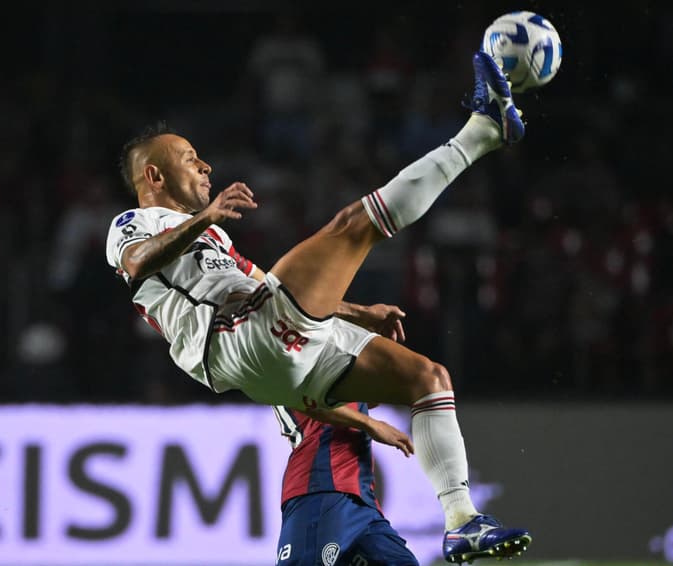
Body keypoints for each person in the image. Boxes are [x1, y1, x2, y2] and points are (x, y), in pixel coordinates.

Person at [105, 51, 531, 563]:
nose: (205, 164)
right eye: (190, 156)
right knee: (354, 226)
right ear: (154, 175)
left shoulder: (212, 236)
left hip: (272, 348)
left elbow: (264, 284)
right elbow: (137, 263)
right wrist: (204, 219)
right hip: (233, 341)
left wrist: (354, 311)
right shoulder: (133, 224)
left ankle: (463, 521)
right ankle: (482, 131)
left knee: (428, 378)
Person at [273, 402, 418, 565]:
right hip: (322, 486)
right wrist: (370, 424)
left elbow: (367, 397)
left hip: (361, 498)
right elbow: (311, 403)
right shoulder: (285, 378)